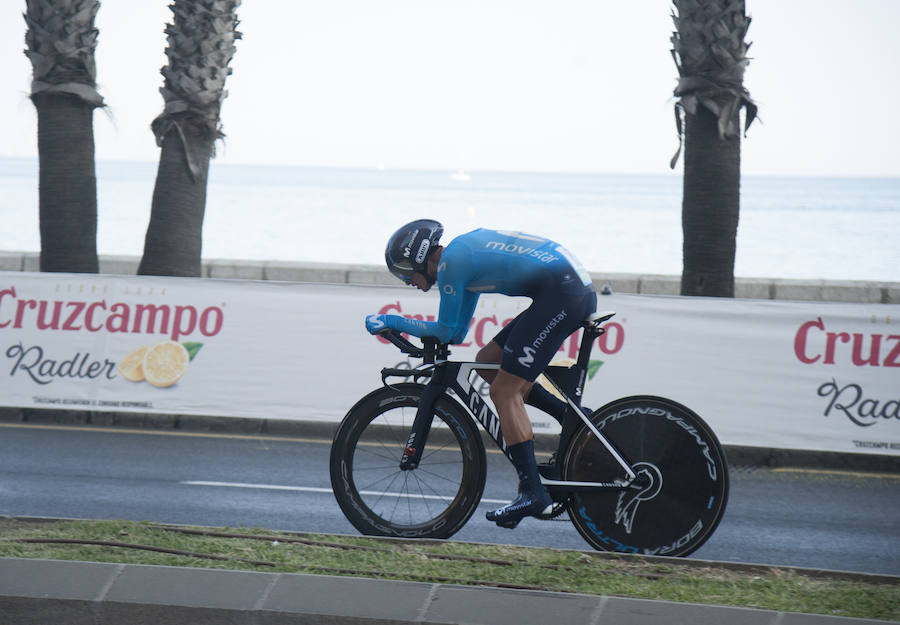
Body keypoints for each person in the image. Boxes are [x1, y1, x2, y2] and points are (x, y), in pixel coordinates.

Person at [365, 219, 598, 528]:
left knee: (504, 391)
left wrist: (394, 321)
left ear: (419, 258)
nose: (406, 281)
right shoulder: (461, 260)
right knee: (489, 360)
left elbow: (446, 330)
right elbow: (456, 332)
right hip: (563, 289)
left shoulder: (452, 264)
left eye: (404, 273)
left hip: (562, 292)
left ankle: (532, 491)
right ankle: (571, 418)